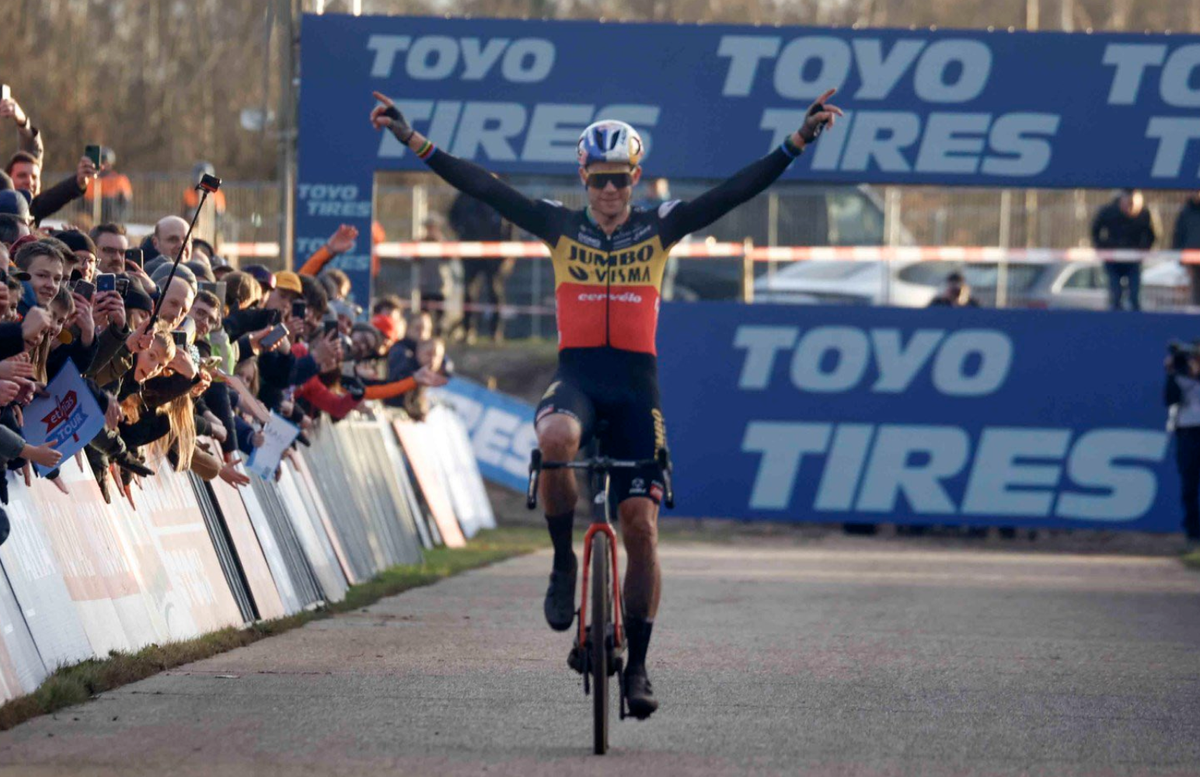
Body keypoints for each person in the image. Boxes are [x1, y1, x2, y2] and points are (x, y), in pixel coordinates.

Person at [371, 86, 842, 719]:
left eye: (620, 180)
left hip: (635, 387)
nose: (610, 192)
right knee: (556, 439)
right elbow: (485, 188)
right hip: (579, 378)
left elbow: (733, 192)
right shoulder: (559, 224)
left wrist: (797, 142)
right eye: (599, 181)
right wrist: (412, 139)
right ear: (584, 178)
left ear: (635, 177)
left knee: (641, 528)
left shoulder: (661, 224)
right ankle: (564, 560)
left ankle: (640, 667)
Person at [448, 179, 513, 342]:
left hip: (496, 255)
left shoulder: (500, 198)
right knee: (469, 292)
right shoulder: (466, 196)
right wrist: (461, 232)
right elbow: (452, 216)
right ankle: (468, 330)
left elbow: (511, 224)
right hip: (470, 251)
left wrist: (509, 252)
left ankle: (495, 332)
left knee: (495, 293)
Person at [1092, 189, 1156, 311]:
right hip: (1112, 261)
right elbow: (1095, 230)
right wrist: (1103, 248)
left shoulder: (1144, 214)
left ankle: (1135, 323)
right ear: (1121, 201)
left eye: (1133, 204)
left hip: (1133, 261)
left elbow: (1152, 235)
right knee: (1115, 295)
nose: (1130, 208)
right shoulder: (1108, 212)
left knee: (1134, 296)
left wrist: (1143, 250)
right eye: (1127, 203)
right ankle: (1115, 324)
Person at [1166, 344, 1200, 545]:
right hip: (1187, 432)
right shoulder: (1179, 377)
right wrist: (1172, 373)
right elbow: (1170, 399)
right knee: (1189, 487)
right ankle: (1194, 534)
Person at [82, 147, 132, 223]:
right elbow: (82, 203)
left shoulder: (119, 180)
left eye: (105, 162)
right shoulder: (90, 180)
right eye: (101, 162)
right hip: (92, 220)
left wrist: (118, 219)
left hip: (112, 220)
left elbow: (125, 204)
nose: (103, 166)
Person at [1171, 192, 1200, 306]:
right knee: (1195, 292)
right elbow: (1178, 235)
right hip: (1191, 259)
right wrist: (1180, 258)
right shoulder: (1185, 212)